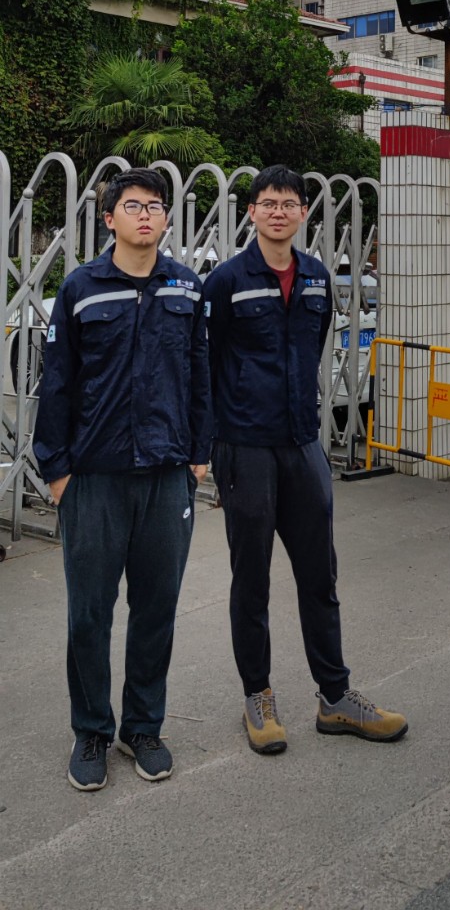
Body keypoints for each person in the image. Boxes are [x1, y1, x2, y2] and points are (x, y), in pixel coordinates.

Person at [204, 164, 407, 755]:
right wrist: (209, 446)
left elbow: (313, 347)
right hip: (245, 448)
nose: (278, 212)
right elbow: (205, 363)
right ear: (251, 212)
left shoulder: (317, 277)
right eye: (268, 203)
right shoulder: (227, 281)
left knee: (321, 576)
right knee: (252, 581)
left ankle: (335, 698)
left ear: (303, 214)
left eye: (289, 203)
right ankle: (258, 696)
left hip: (303, 445)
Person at [33, 167, 213, 792]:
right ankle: (90, 729)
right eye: (132, 206)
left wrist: (199, 455)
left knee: (156, 608)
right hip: (94, 478)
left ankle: (143, 727)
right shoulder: (81, 288)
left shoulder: (186, 287)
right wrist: (57, 472)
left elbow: (200, 373)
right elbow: (56, 382)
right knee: (89, 613)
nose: (145, 215)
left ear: (166, 219)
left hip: (166, 476)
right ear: (109, 219)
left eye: (155, 206)